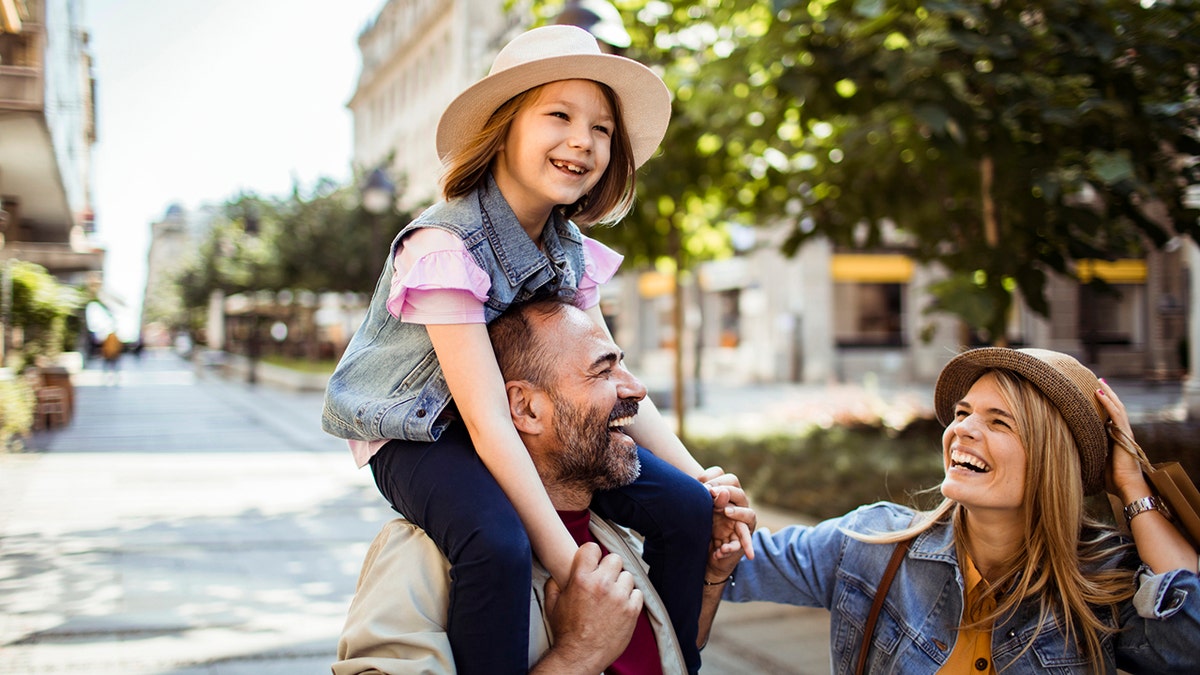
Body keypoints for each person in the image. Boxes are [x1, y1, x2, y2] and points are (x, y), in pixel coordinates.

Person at [321, 25, 724, 674]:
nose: (582, 141)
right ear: (503, 128)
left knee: (687, 511)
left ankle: (663, 662)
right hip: (415, 434)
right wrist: (572, 567)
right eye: (559, 115)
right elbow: (484, 421)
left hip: (512, 417)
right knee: (497, 542)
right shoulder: (444, 246)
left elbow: (611, 375)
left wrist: (702, 478)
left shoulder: (566, 247)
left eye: (602, 128)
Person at [698, 347, 1200, 674]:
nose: (962, 430)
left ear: (1052, 457)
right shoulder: (873, 543)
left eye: (999, 422)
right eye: (962, 414)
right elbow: (730, 555)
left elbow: (1191, 638)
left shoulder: (1103, 584)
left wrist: (1131, 485)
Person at [333, 297, 751, 674]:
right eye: (602, 371)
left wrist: (711, 577)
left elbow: (666, 656)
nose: (637, 389)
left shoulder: (622, 535)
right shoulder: (421, 560)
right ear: (526, 408)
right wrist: (578, 656)